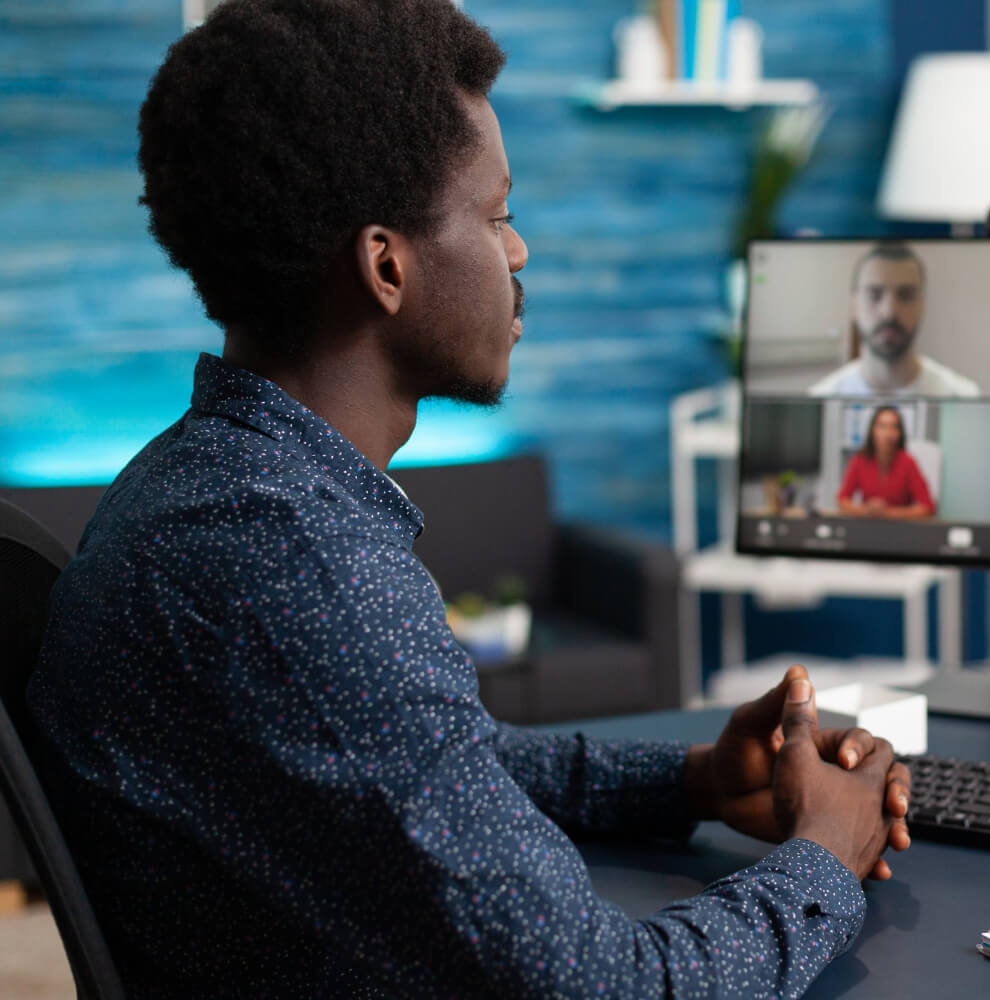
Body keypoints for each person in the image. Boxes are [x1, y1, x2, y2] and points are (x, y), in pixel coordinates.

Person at [26, 2, 910, 996]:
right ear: (386, 265)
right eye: (496, 217)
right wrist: (826, 853)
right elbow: (605, 988)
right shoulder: (294, 560)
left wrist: (694, 779)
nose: (519, 253)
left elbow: (436, 771)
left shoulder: (207, 485)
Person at [809, 243, 980, 397]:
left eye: (905, 295)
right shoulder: (821, 397)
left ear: (922, 304)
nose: (889, 312)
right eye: (875, 295)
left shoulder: (962, 395)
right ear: (854, 305)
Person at [836, 406, 936, 520]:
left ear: (899, 434)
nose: (888, 434)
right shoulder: (859, 461)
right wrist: (866, 510)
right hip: (868, 525)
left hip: (901, 529)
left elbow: (927, 507)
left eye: (893, 427)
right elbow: (842, 501)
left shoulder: (908, 463)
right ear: (872, 431)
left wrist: (888, 512)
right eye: (882, 427)